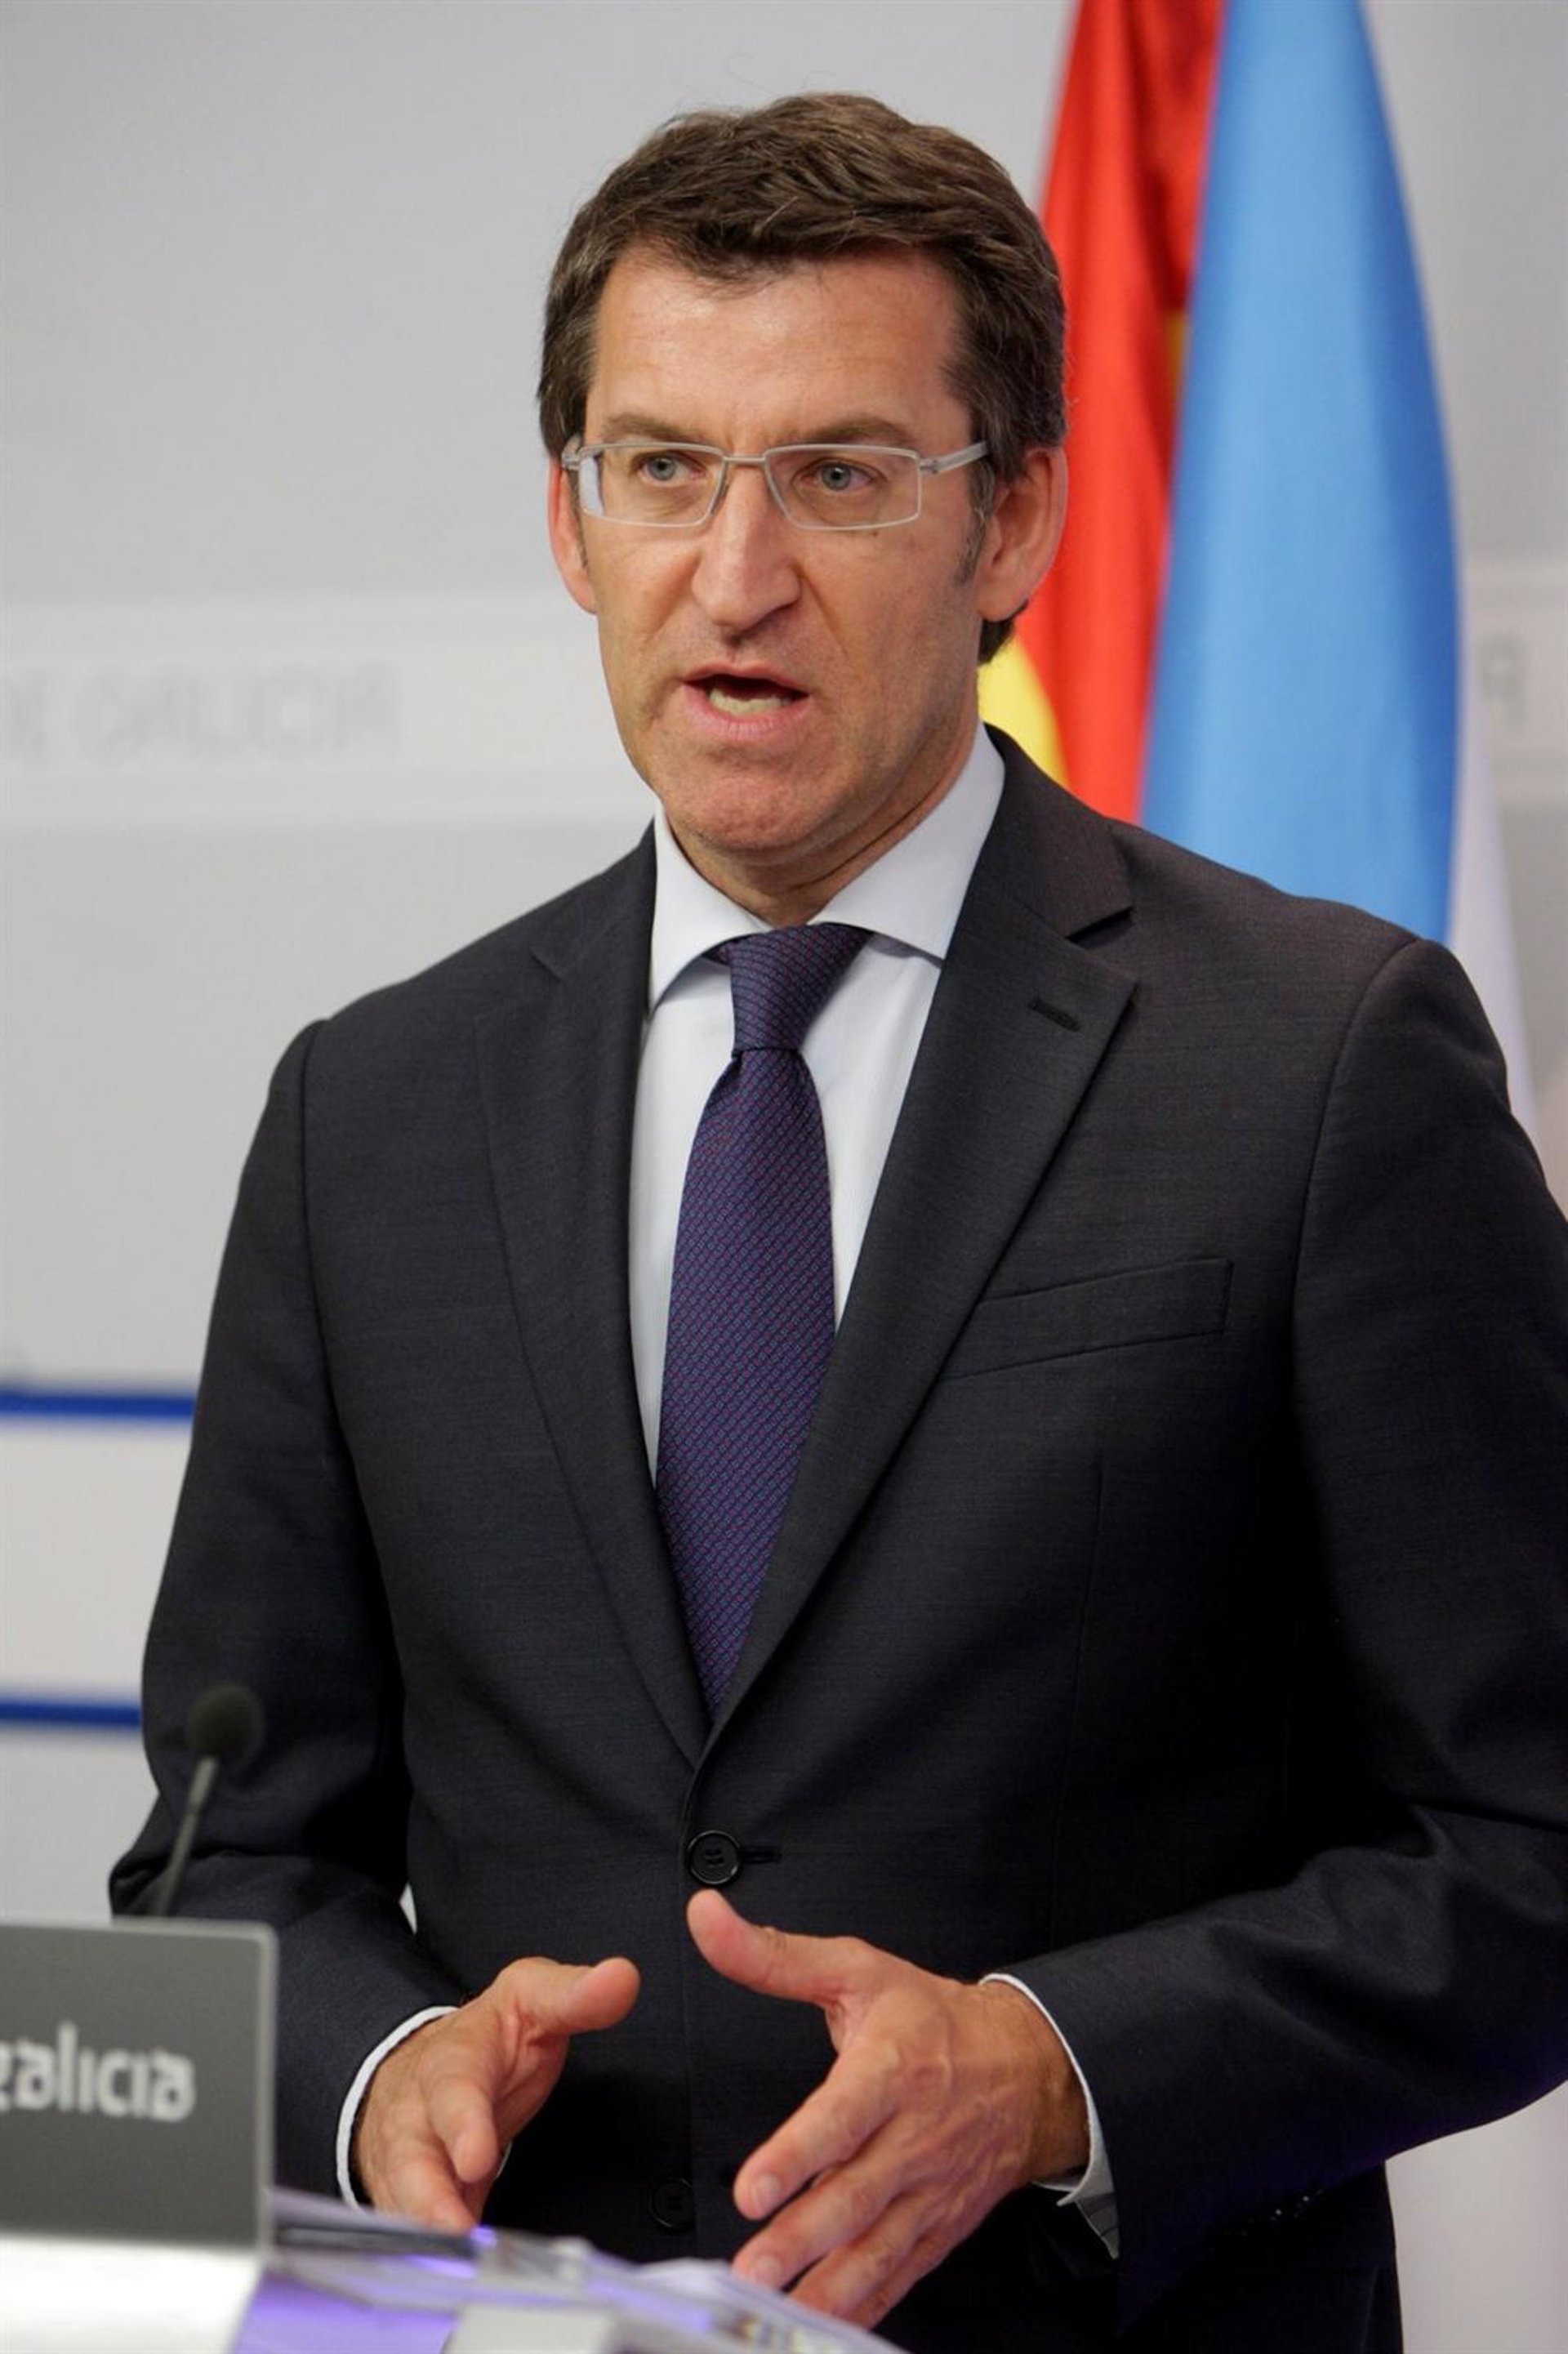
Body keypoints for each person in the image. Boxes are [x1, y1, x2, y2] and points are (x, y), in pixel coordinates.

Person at [114, 93, 1568, 2354]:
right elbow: (230, 1851)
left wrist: (1062, 2072)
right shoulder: (369, 1113)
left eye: (842, 473)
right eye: (662, 468)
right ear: (571, 523)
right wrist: (383, 2071)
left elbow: (1530, 1844)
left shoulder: (1320, 1061)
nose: (736, 571)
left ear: (1016, 520)